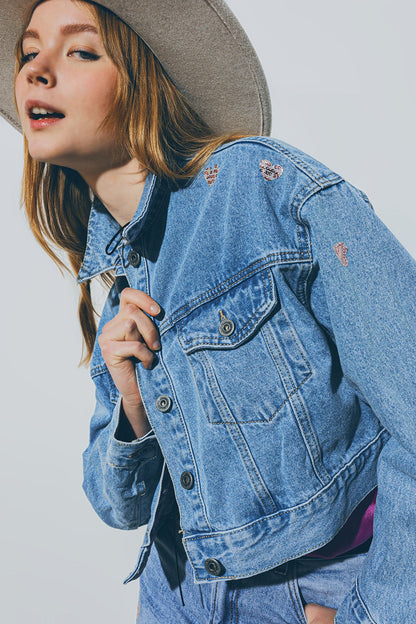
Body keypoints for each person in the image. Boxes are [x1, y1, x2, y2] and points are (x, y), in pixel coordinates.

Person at [2, 0, 415, 622]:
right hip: (177, 593)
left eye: (81, 50)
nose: (37, 70)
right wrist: (131, 407)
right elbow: (117, 506)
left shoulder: (264, 189)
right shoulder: (119, 283)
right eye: (29, 52)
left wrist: (372, 613)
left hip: (309, 597)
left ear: (143, 84)